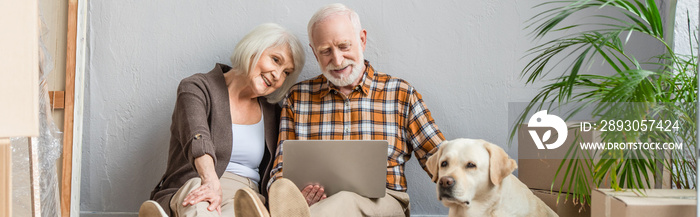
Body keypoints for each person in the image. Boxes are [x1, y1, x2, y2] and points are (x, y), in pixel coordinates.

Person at [235, 4, 445, 217]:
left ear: (362, 40)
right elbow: (281, 168)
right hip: (314, 206)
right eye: (325, 51)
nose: (337, 60)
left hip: (384, 201)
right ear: (315, 54)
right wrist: (293, 193)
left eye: (344, 46)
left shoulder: (400, 94)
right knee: (290, 194)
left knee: (345, 199)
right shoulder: (298, 97)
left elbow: (441, 158)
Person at [138, 23, 305, 217]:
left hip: (245, 197)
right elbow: (197, 136)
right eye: (276, 60)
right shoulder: (197, 88)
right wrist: (209, 181)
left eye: (286, 72)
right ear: (253, 49)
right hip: (196, 183)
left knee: (242, 209)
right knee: (201, 202)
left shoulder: (273, 112)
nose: (277, 75)